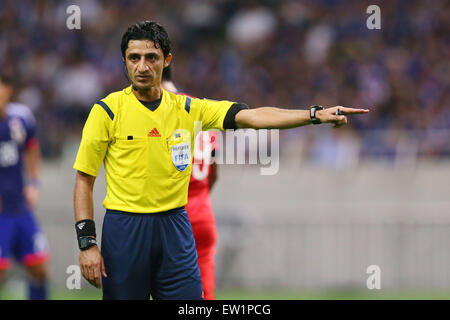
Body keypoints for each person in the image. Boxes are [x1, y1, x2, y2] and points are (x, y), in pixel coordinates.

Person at [73, 21, 369, 300]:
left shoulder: (189, 108)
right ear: (124, 61)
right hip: (125, 229)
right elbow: (84, 180)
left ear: (167, 60)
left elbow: (252, 116)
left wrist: (313, 115)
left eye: (151, 57)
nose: (142, 66)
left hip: (175, 226)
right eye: (134, 57)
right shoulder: (107, 111)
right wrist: (87, 244)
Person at [162, 66, 219, 300]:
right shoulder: (201, 110)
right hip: (203, 213)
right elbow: (213, 174)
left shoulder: (157, 114)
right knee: (204, 294)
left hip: (171, 217)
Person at [0, 71, 50, 300]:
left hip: (20, 208)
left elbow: (31, 148)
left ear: (9, 90)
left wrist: (34, 183)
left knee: (39, 268)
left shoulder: (21, 117)